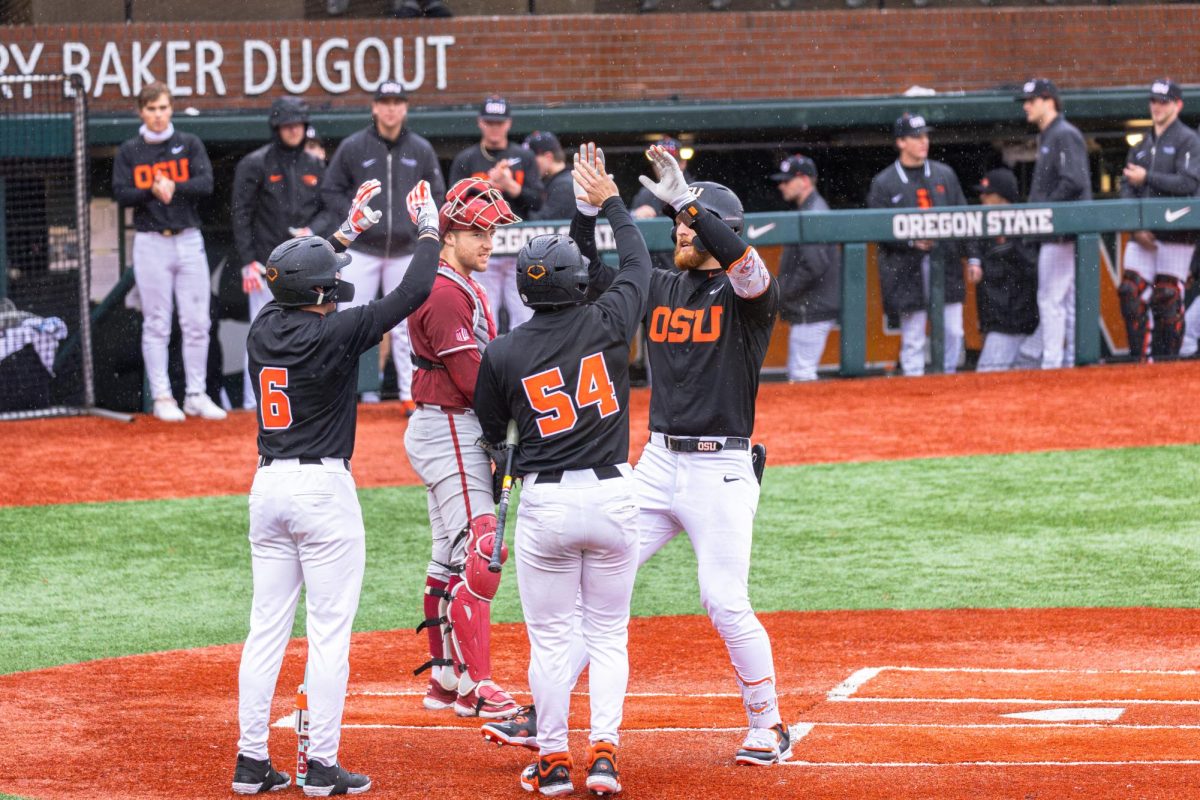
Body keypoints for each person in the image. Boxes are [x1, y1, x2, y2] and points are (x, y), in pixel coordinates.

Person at [487, 145, 791, 767]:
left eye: (691, 225)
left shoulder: (749, 295)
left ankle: (769, 723)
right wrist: (582, 211)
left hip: (721, 467)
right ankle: (543, 713)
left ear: (720, 231)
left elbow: (746, 265)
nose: (680, 231)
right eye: (678, 223)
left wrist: (685, 199)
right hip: (654, 466)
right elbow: (585, 276)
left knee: (723, 598)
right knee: (595, 599)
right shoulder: (662, 285)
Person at [233, 177, 439, 797]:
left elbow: (296, 276)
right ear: (320, 294)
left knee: (265, 629)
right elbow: (414, 289)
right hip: (323, 492)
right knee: (328, 634)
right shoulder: (335, 331)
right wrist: (428, 229)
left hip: (267, 490)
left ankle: (250, 762)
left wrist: (342, 234)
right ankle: (320, 766)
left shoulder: (264, 325)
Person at [475, 143, 650, 796]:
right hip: (612, 496)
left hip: (544, 504)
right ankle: (603, 752)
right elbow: (636, 260)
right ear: (581, 282)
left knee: (551, 642)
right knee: (606, 636)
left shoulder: (503, 351)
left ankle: (551, 760)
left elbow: (493, 439)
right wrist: (606, 199)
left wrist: (507, 461)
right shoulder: (608, 320)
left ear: (523, 287)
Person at [403, 177, 522, 720]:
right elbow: (472, 377)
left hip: (443, 422)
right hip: (451, 423)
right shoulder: (447, 291)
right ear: (447, 234)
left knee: (447, 557)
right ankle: (477, 684)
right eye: (479, 231)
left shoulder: (451, 280)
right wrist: (513, 423)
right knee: (483, 547)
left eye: (492, 232)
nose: (489, 241)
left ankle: (446, 680)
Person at [321, 80, 446, 414]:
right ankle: (337, 396)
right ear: (374, 107)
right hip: (362, 250)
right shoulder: (353, 146)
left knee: (407, 326)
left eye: (397, 101)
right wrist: (353, 216)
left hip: (404, 250)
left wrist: (420, 228)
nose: (391, 107)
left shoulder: (420, 148)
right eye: (385, 101)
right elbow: (330, 190)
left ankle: (409, 393)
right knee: (346, 321)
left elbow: (438, 195)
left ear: (405, 107)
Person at [112, 81, 225, 421]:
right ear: (141, 111)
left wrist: (175, 186)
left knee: (197, 322)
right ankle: (162, 396)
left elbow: (206, 184)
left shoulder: (188, 143)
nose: (158, 115)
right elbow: (120, 193)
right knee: (157, 322)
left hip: (188, 238)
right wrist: (150, 189)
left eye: (163, 108)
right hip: (150, 241)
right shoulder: (130, 150)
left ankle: (196, 393)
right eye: (151, 109)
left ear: (170, 108)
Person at [232, 97, 328, 411]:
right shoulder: (255, 163)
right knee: (263, 333)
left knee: (308, 331)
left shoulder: (315, 164)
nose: (293, 130)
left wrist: (312, 230)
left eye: (298, 124)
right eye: (287, 125)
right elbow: (241, 214)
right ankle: (254, 401)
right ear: (276, 127)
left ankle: (301, 399)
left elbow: (330, 209)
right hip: (265, 266)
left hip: (307, 265)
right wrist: (247, 261)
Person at [866, 113, 969, 376]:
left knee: (953, 331)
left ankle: (946, 376)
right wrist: (910, 239)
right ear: (901, 142)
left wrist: (974, 257)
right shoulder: (884, 182)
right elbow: (877, 228)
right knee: (913, 335)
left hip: (944, 261)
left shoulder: (944, 173)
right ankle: (913, 385)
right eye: (916, 137)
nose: (924, 141)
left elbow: (965, 217)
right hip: (906, 266)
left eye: (925, 136)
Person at [1118, 78, 1200, 361]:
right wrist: (1135, 224)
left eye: (1163, 101)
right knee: (1130, 292)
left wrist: (1148, 177)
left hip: (1177, 233)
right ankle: (1141, 362)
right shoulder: (1141, 144)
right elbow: (1127, 186)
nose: (1156, 106)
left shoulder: (1188, 139)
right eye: (1153, 101)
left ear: (1177, 105)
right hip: (1143, 235)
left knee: (1167, 300)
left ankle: (1168, 367)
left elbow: (1189, 183)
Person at [449, 95, 543, 333]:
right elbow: (452, 205)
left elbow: (539, 201)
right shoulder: (467, 158)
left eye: (499, 123)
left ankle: (523, 369)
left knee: (524, 315)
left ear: (508, 124)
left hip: (519, 245)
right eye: (489, 122)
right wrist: (487, 186)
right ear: (480, 122)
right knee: (482, 313)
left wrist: (511, 186)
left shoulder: (524, 157)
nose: (494, 128)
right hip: (481, 246)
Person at [1019, 77, 1092, 370]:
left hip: (1062, 230)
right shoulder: (1050, 134)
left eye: (1031, 101)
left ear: (1049, 100)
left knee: (1051, 299)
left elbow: (1074, 180)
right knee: (1067, 302)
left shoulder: (1063, 133)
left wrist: (1045, 209)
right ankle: (1072, 360)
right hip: (1062, 230)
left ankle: (1054, 362)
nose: (1026, 107)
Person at [772, 154, 840, 382]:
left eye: (787, 180)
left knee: (802, 375)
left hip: (812, 308)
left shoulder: (814, 212)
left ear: (805, 180)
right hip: (810, 307)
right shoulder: (811, 209)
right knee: (800, 373)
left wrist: (782, 291)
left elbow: (814, 266)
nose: (781, 185)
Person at [967, 168, 1041, 372]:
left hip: (1023, 327)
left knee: (988, 383)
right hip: (999, 326)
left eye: (987, 193)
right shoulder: (981, 227)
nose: (982, 197)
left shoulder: (1028, 226)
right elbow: (971, 242)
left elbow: (1033, 270)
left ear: (1002, 197)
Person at [524, 131, 576, 222]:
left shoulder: (564, 185)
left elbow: (544, 222)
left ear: (548, 157)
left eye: (532, 158)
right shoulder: (556, 179)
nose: (530, 163)